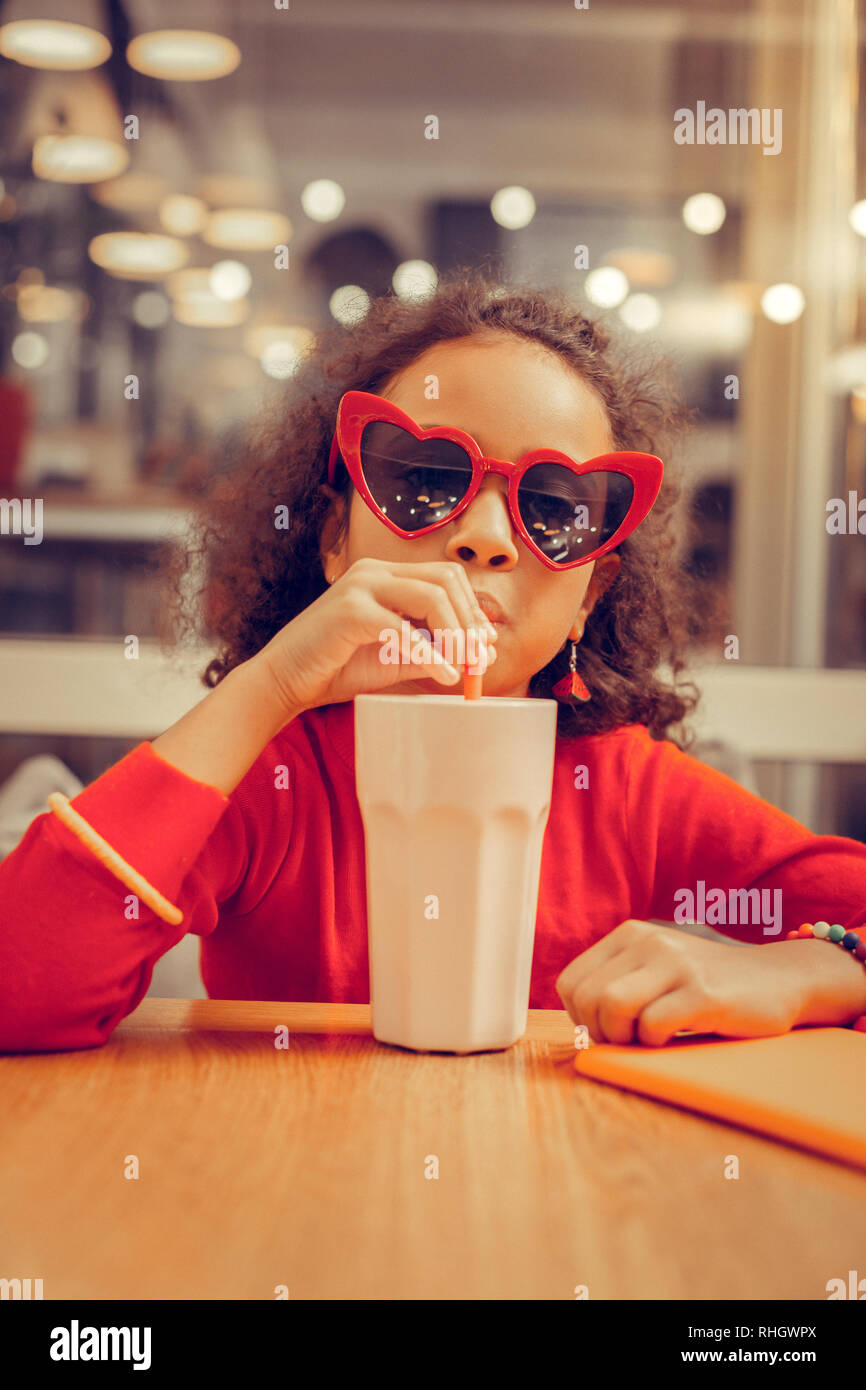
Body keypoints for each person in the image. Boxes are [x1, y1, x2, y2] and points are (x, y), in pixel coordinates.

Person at [2, 271, 865, 1053]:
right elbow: (19, 991)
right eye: (425, 477)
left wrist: (796, 974)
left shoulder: (630, 793)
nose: (485, 538)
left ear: (592, 593)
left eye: (554, 508)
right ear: (335, 539)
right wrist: (271, 686)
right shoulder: (275, 778)